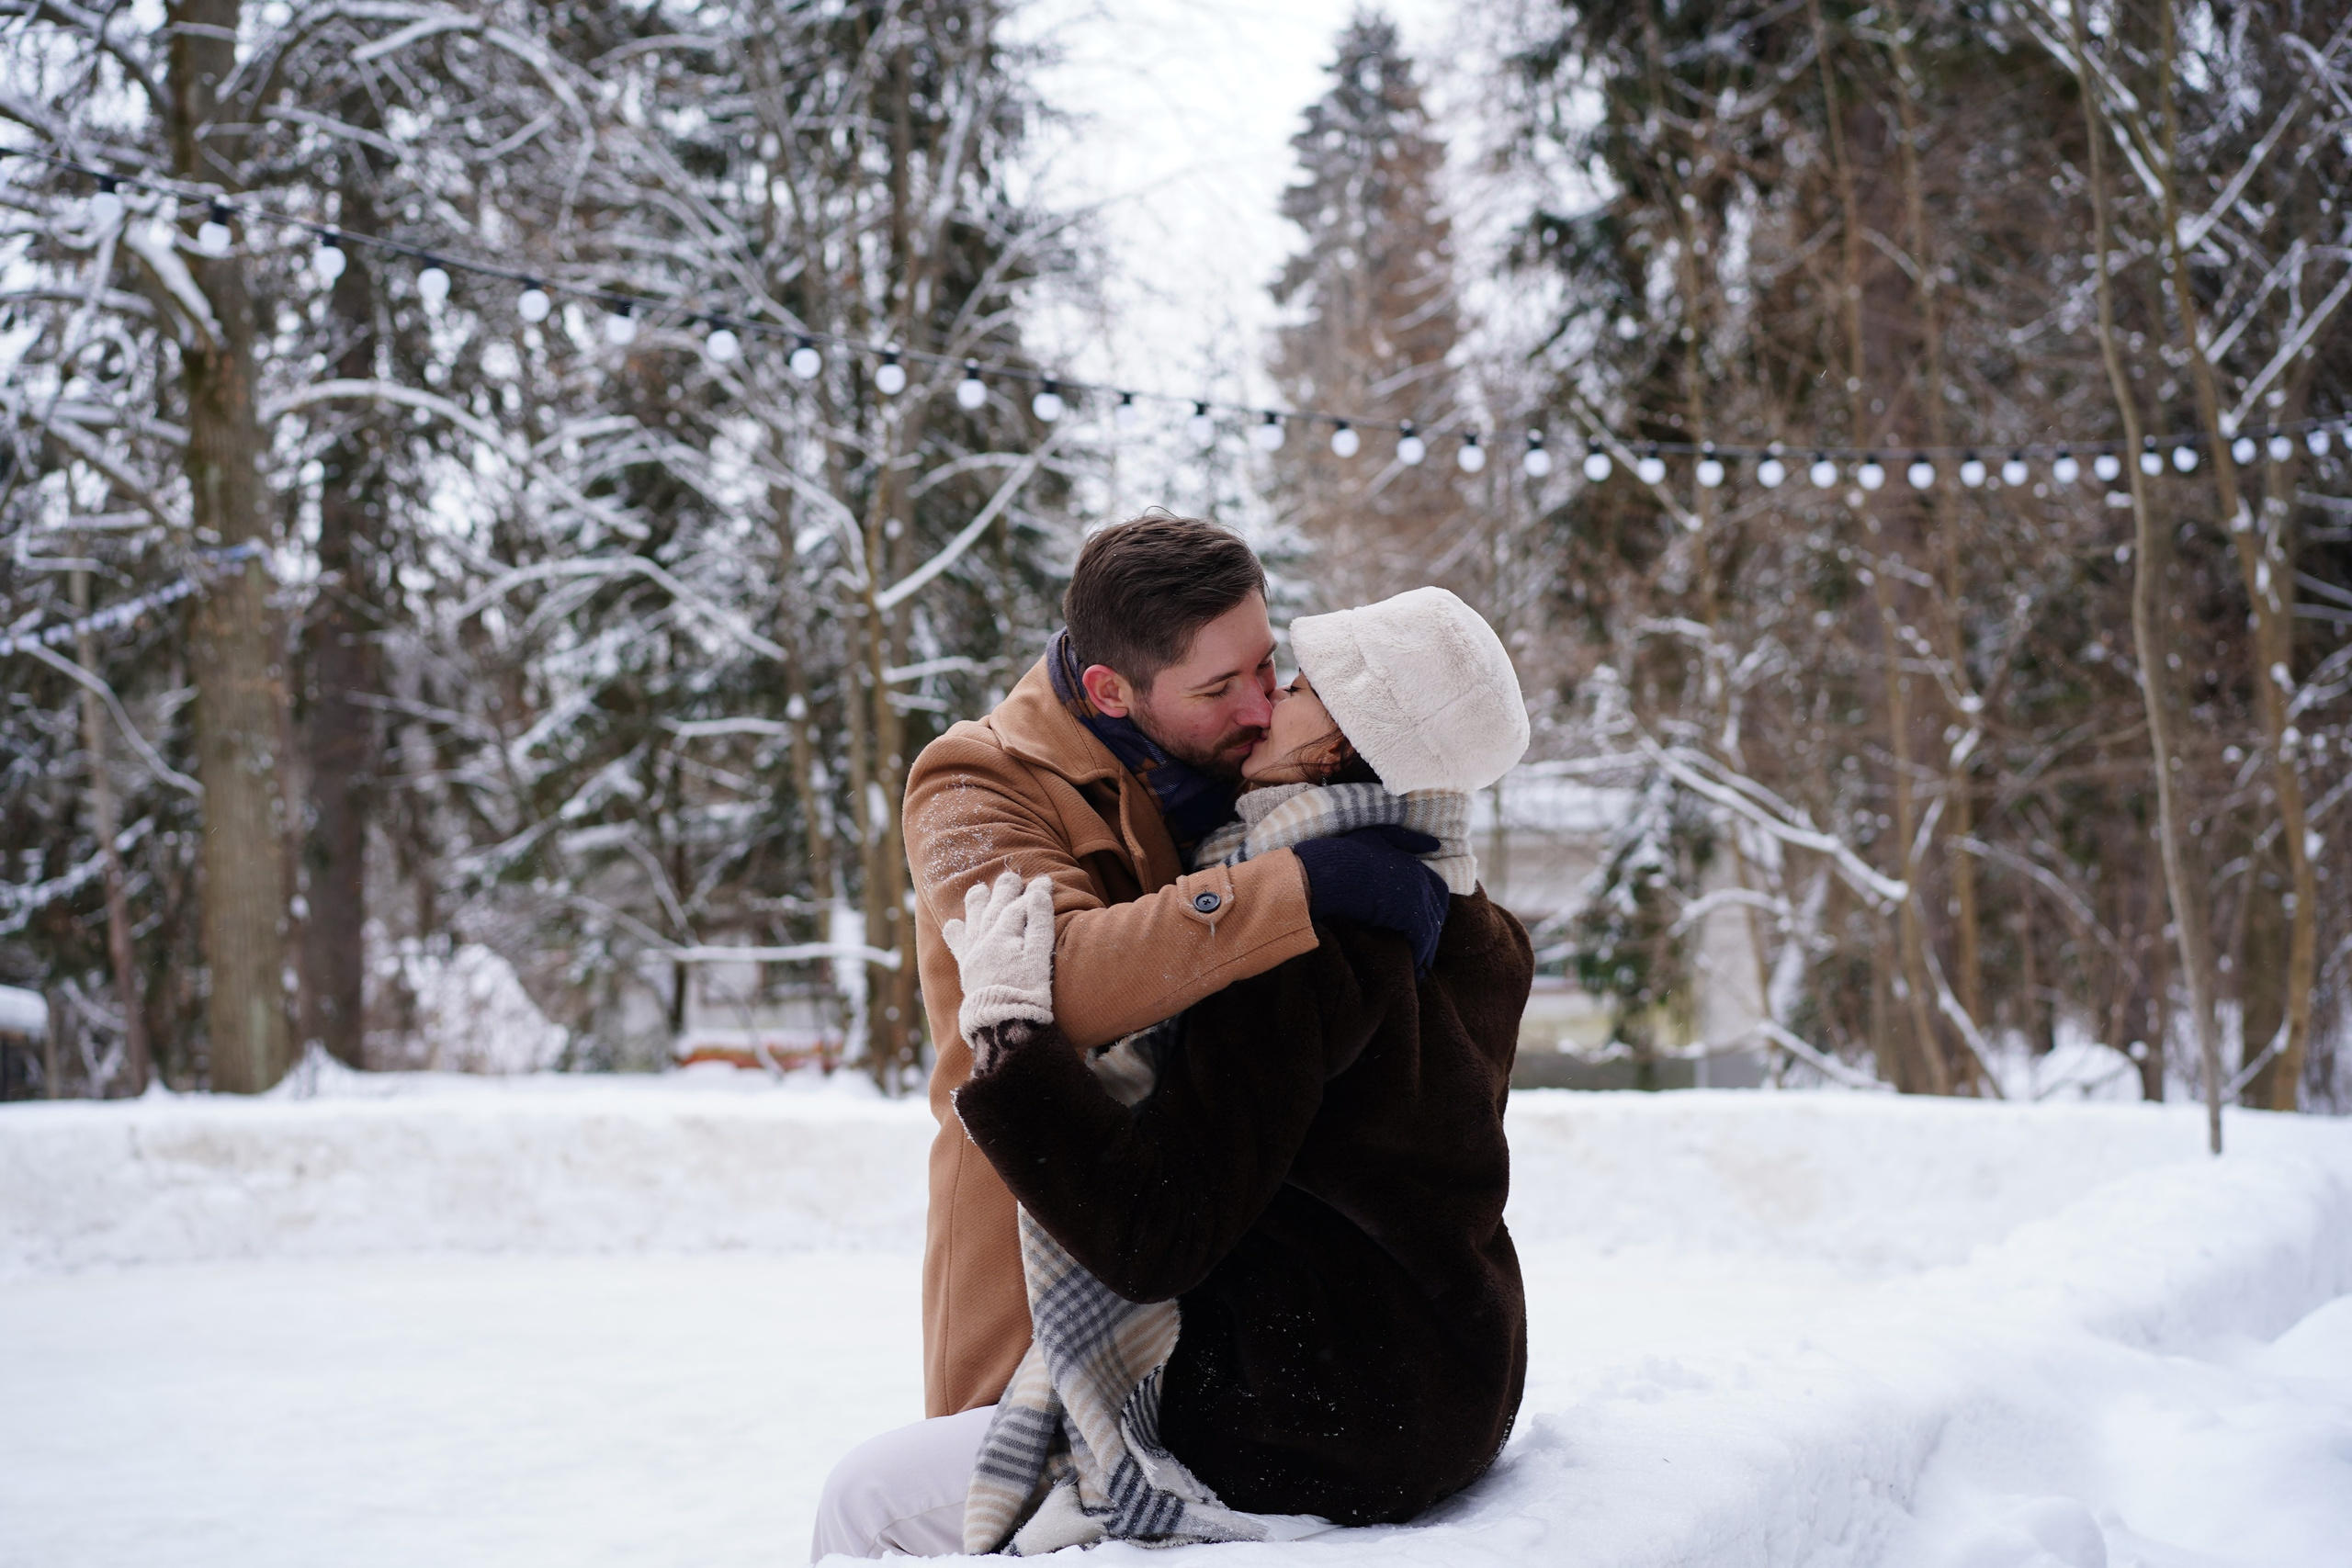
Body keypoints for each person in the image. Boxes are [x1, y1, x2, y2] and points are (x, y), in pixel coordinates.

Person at [809, 573, 1533, 1559]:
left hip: (1311, 1421)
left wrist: (1016, 1048)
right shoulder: (1470, 920)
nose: (1263, 701)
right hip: (1460, 1381)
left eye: (1294, 685)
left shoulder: (1296, 938)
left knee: (866, 1502)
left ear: (1334, 748)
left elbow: (1156, 1237)